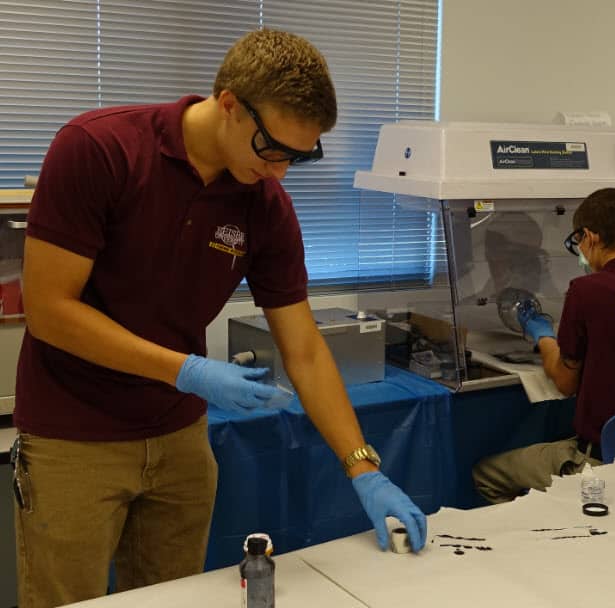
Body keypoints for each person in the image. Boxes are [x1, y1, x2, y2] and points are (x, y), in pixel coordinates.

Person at [12, 29, 426, 608]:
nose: (281, 171)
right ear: (229, 105)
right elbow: (50, 311)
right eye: (273, 149)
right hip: (74, 434)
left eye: (298, 157)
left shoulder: (263, 203)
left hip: (179, 437)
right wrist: (188, 370)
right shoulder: (99, 149)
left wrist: (362, 467)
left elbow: (303, 348)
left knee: (170, 598)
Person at [472, 188, 615, 503]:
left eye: (578, 243)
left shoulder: (587, 291)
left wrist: (544, 337)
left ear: (589, 237)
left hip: (598, 461)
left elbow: (564, 383)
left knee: (487, 473)